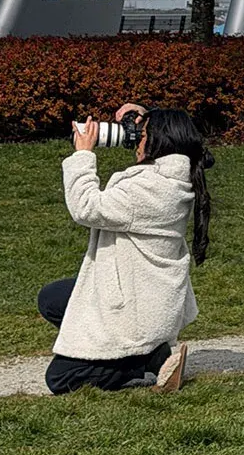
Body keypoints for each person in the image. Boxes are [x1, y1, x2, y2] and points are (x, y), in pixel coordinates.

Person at [37, 103, 212, 396]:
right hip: (143, 295)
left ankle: (145, 361)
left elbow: (86, 207)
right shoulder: (173, 179)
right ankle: (130, 352)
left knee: (61, 379)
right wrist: (141, 111)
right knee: (52, 299)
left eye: (142, 135)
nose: (136, 142)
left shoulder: (152, 188)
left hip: (135, 308)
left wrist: (83, 154)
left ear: (158, 141)